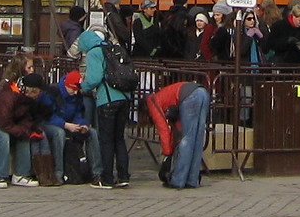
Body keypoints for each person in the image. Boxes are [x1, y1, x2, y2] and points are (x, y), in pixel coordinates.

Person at [76, 19, 134, 187]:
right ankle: (123, 176)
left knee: (106, 140)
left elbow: (94, 79)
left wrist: (83, 85)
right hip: (124, 98)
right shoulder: (114, 48)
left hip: (107, 99)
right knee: (119, 139)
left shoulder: (95, 52)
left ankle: (106, 178)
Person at [0, 72, 47, 187]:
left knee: (24, 136)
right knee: (2, 136)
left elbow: (25, 119)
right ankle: (0, 176)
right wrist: (25, 131)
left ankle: (21, 175)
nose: (39, 95)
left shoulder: (24, 98)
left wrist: (30, 131)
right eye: (39, 92)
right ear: (32, 91)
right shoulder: (8, 97)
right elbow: (5, 124)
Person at [147, 77, 213, 188]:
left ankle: (178, 180)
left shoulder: (152, 102)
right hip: (202, 93)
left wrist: (167, 154)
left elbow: (164, 130)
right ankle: (192, 179)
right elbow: (177, 126)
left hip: (189, 97)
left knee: (186, 140)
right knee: (197, 137)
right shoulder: (166, 98)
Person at [38, 70, 90, 183]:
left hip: (68, 124)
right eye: (73, 89)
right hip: (48, 124)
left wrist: (82, 124)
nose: (75, 93)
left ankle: (95, 172)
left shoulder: (77, 95)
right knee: (59, 133)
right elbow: (47, 115)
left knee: (92, 133)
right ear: (67, 85)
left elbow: (78, 113)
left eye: (77, 90)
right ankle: (58, 172)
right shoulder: (52, 92)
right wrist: (65, 125)